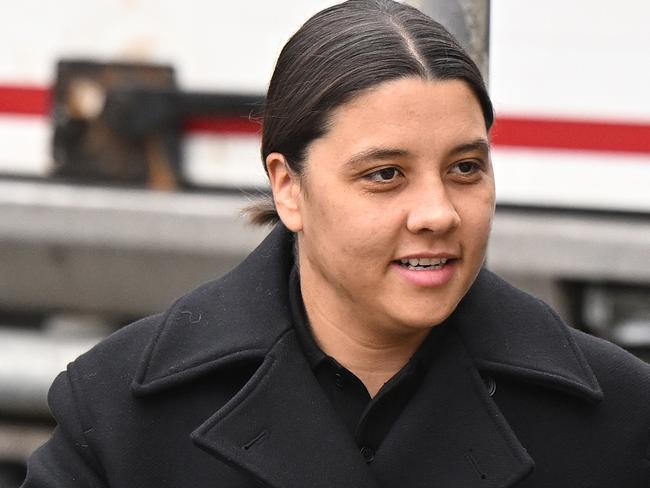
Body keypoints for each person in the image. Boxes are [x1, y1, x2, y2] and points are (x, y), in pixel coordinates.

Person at [22, 1, 650, 487]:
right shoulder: (120, 416)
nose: (437, 214)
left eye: (465, 169)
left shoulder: (616, 420)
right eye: (385, 175)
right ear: (288, 187)